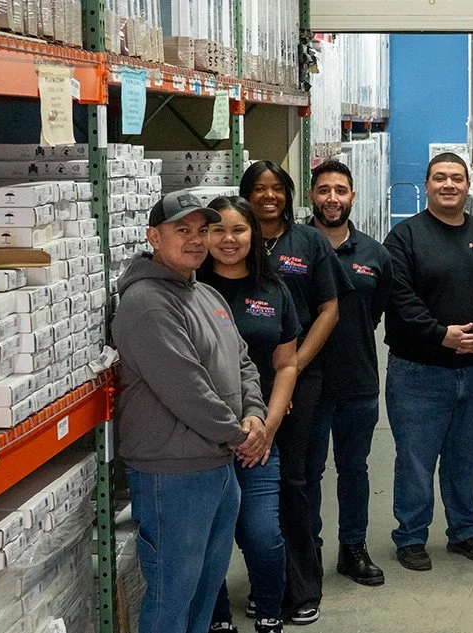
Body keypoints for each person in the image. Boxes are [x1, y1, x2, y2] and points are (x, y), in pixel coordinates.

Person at [112, 191, 267, 633]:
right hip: (172, 474)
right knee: (173, 595)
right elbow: (185, 388)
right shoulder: (146, 302)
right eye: (182, 230)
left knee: (204, 590)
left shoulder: (206, 295)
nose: (196, 240)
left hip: (218, 464)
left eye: (203, 230)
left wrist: (254, 414)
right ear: (153, 237)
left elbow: (242, 361)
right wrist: (241, 435)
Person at [382, 152, 473, 571]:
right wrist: (440, 334)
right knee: (416, 459)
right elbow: (399, 297)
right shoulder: (405, 238)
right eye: (440, 178)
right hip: (418, 372)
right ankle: (411, 537)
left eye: (457, 178)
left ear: (468, 186)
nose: (449, 185)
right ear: (427, 185)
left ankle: (464, 531)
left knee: (466, 459)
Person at [239, 161, 352, 624]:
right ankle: (266, 583)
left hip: (300, 379)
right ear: (246, 194)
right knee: (251, 486)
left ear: (289, 194)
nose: (269, 196)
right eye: (259, 189)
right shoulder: (235, 241)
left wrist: (295, 366)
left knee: (294, 481)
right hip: (240, 383)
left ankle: (303, 587)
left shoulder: (308, 242)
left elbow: (330, 309)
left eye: (277, 188)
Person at [196, 197, 300, 633]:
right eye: (217, 230)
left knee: (262, 534)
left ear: (253, 235)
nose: (228, 239)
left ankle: (270, 613)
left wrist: (267, 429)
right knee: (210, 536)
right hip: (201, 437)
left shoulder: (273, 289)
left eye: (238, 229)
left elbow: (287, 364)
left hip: (259, 434)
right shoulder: (190, 289)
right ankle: (218, 618)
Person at [307, 160, 393, 586]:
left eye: (340, 190)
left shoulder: (374, 253)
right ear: (311, 196)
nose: (332, 198)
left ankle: (352, 549)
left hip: (358, 381)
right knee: (307, 474)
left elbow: (375, 312)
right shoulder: (294, 247)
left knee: (354, 469)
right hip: (305, 383)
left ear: (352, 197)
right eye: (324, 190)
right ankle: (307, 551)